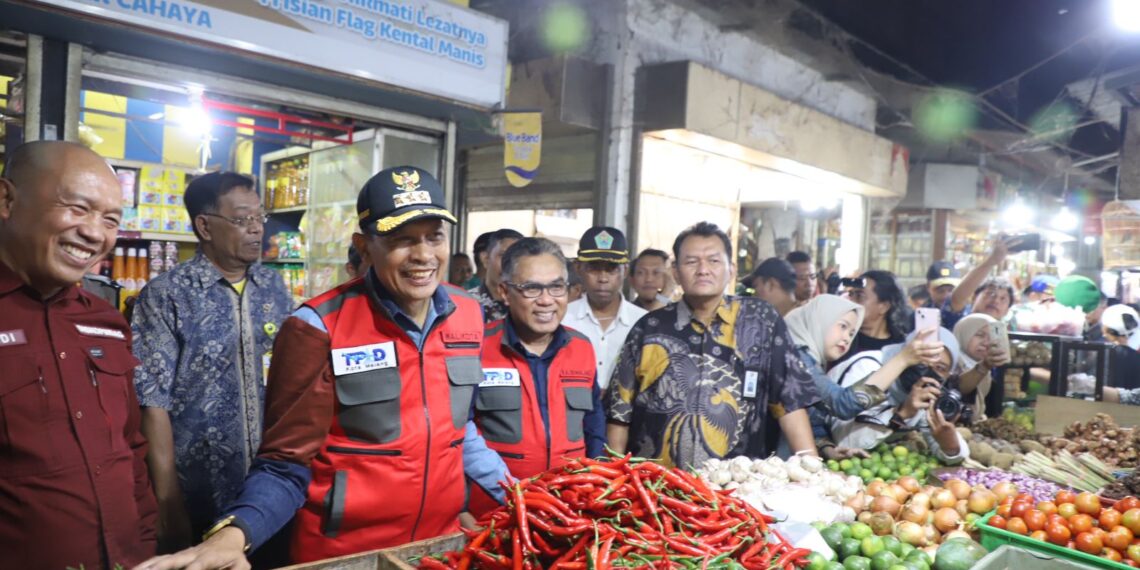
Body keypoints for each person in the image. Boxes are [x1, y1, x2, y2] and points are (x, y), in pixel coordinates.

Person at [136, 167, 509, 569]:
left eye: (433, 236)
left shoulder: (468, 315)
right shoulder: (318, 327)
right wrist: (235, 534)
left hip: (438, 548)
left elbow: (459, 429)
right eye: (401, 240)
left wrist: (520, 497)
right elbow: (285, 464)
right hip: (345, 554)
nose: (422, 255)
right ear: (364, 248)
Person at [0, 140, 157, 568]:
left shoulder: (107, 322)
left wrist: (146, 542)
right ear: (7, 199)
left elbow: (130, 447)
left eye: (110, 220)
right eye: (77, 208)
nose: (94, 233)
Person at [131, 172, 294, 553]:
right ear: (204, 226)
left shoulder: (273, 288)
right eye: (242, 220)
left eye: (260, 218)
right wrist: (168, 502)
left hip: (272, 491)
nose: (257, 230)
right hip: (199, 495)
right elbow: (152, 403)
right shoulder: (167, 296)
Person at [606, 222, 820, 469]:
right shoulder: (649, 329)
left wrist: (811, 468)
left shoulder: (761, 321)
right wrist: (615, 476)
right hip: (657, 491)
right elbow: (619, 413)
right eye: (692, 262)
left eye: (714, 261)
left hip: (737, 490)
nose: (703, 270)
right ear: (675, 272)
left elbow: (789, 402)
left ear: (731, 269)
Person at [468, 238, 606, 515]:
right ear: (505, 292)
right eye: (531, 288)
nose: (546, 300)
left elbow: (594, 427)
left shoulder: (582, 348)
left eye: (556, 287)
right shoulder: (477, 348)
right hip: (495, 512)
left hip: (570, 509)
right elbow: (456, 433)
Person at [783, 295, 946, 459]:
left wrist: (828, 449)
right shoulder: (796, 358)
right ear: (818, 321)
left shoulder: (810, 358)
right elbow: (842, 404)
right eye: (843, 326)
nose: (847, 337)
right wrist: (902, 359)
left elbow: (812, 418)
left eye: (852, 333)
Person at [828, 331, 969, 465]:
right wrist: (902, 414)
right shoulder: (868, 367)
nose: (928, 370)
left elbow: (950, 451)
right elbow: (844, 443)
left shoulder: (927, 390)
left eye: (940, 367)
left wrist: (950, 445)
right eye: (923, 359)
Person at [561, 227, 647, 390]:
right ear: (578, 268)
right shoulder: (562, 318)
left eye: (612, 269)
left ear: (625, 270)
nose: (603, 278)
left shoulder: (644, 322)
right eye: (593, 268)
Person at [833, 270, 910, 366]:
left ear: (884, 306)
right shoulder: (840, 340)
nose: (851, 301)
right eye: (851, 294)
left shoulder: (902, 349)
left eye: (859, 296)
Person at [951, 314, 1010, 423]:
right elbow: (957, 388)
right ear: (963, 334)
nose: (986, 343)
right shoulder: (950, 363)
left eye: (991, 337)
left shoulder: (984, 368)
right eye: (980, 335)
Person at [469, 228, 523, 323]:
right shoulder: (465, 303)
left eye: (518, 257)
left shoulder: (529, 305)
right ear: (486, 259)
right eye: (503, 256)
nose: (510, 264)